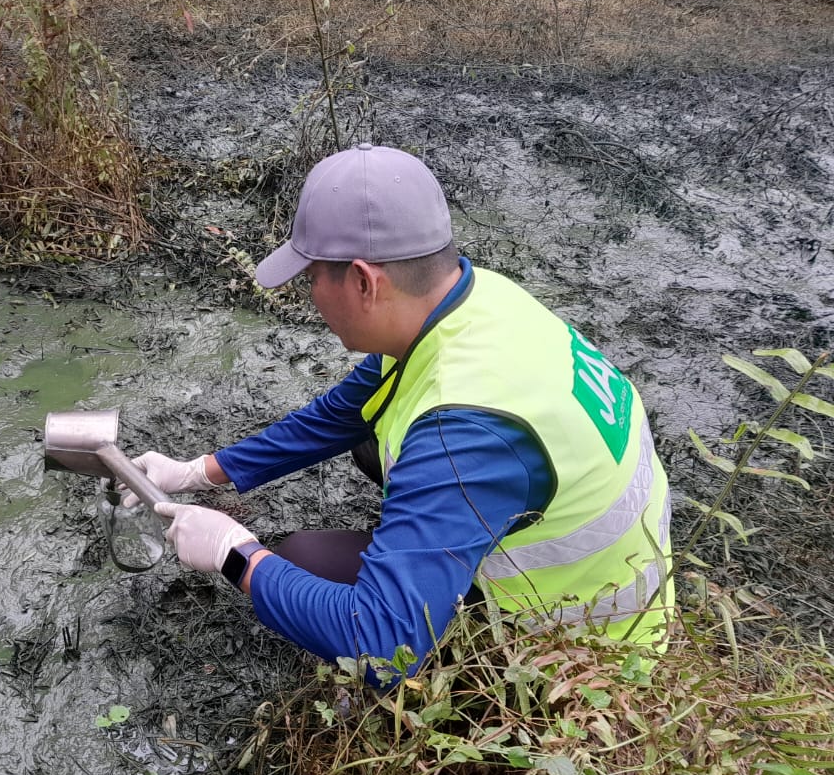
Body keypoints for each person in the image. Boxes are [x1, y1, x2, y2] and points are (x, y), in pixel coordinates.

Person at [137, 143, 671, 680]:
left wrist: (236, 555)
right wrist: (196, 473)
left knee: (300, 561)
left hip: (577, 656)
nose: (310, 295)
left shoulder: (462, 432)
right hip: (595, 568)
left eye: (312, 277)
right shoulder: (473, 300)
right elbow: (339, 415)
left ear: (365, 282)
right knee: (371, 437)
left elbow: (384, 648)